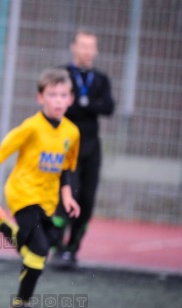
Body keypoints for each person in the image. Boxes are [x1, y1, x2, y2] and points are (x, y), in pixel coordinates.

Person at [0, 68, 81, 308]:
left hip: (48, 199)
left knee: (35, 250)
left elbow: (67, 168)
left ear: (71, 99)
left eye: (64, 95)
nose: (59, 100)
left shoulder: (72, 132)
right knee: (38, 250)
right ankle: (20, 305)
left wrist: (68, 196)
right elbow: (2, 152)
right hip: (22, 193)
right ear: (41, 98)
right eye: (53, 95)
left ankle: (0, 224)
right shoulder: (31, 127)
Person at [52, 28, 115, 269]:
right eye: (83, 46)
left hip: (91, 147)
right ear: (73, 47)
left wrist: (81, 103)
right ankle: (56, 246)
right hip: (66, 147)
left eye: (92, 47)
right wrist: (88, 105)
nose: (88, 51)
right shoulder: (63, 74)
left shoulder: (101, 79)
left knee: (87, 200)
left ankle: (72, 249)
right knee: (68, 196)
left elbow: (108, 107)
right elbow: (62, 106)